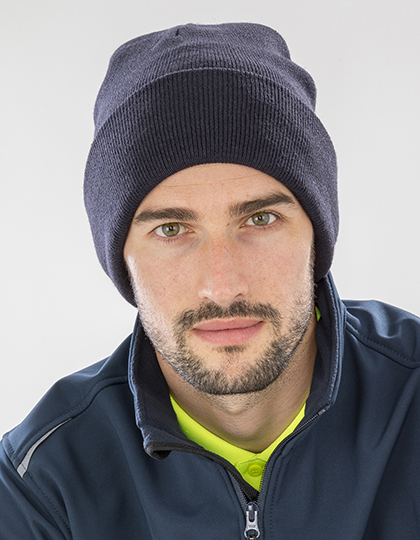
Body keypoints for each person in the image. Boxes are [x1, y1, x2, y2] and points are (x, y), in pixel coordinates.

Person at [0, 22, 419, 540]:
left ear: (317, 234)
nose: (222, 287)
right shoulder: (45, 481)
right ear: (121, 259)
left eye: (260, 220)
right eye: (172, 229)